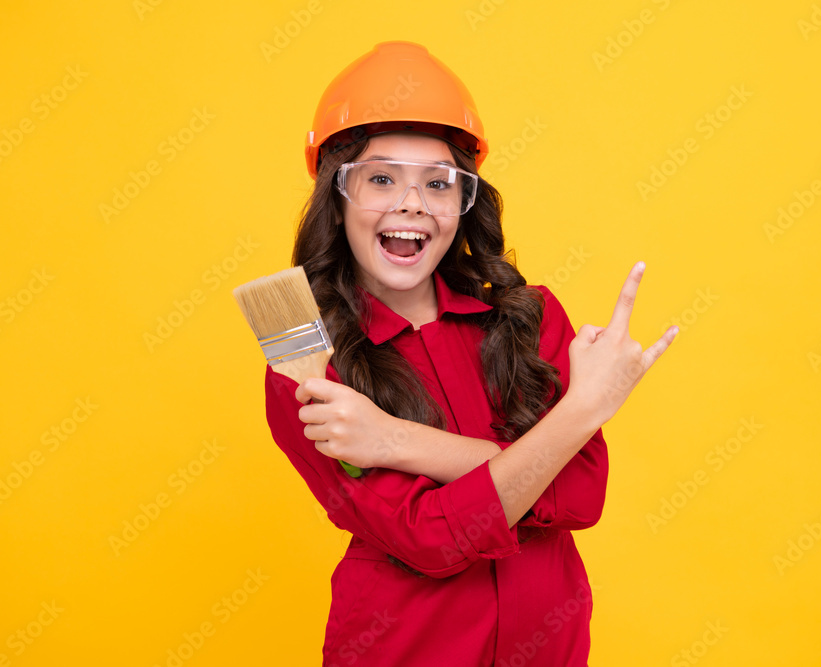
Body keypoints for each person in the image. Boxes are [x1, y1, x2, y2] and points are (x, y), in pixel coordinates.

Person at [262, 41, 677, 666]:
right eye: (380, 178)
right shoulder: (307, 368)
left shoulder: (528, 317)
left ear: (465, 200)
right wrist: (577, 418)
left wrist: (394, 440)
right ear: (336, 195)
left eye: (438, 183)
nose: (412, 203)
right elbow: (431, 537)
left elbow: (581, 496)